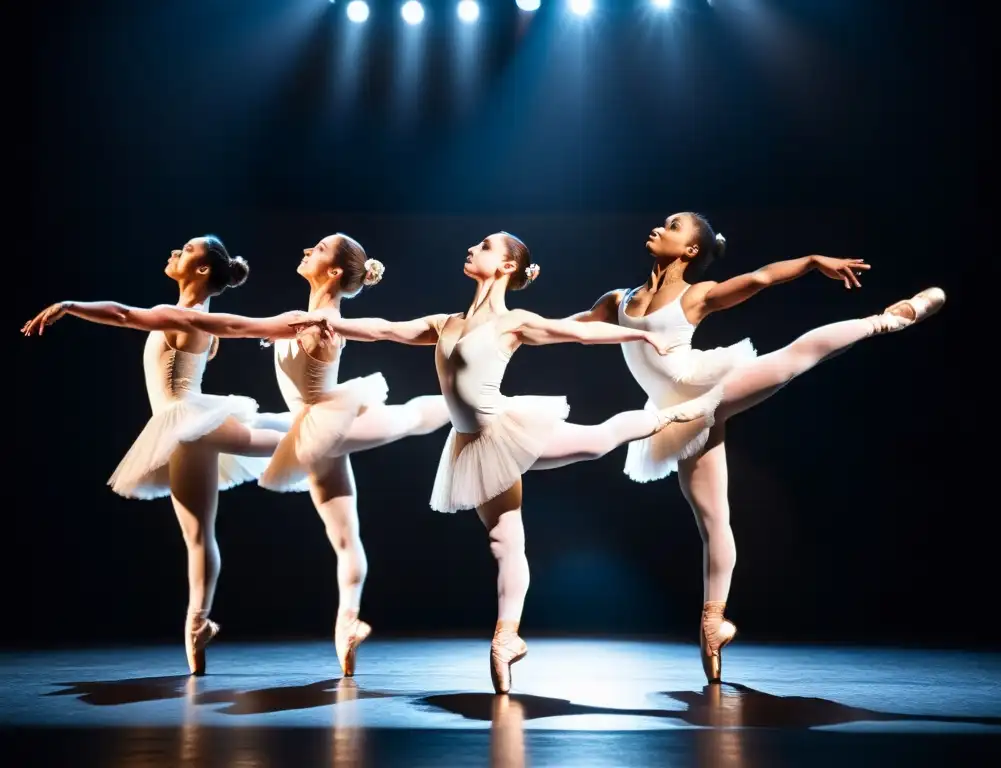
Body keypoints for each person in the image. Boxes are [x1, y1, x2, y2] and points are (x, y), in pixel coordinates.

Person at [291, 231, 722, 693]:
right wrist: (321, 320)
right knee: (505, 545)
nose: (472, 248)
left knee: (598, 440)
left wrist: (639, 333)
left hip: (509, 429)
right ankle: (506, 637)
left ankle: (672, 414)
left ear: (507, 267)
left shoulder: (513, 322)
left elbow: (578, 331)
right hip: (474, 447)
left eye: (485, 246)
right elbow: (384, 329)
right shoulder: (446, 322)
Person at [569, 211, 946, 683]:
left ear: (690, 251)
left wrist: (811, 261)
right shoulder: (617, 300)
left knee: (794, 357)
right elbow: (572, 327)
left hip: (707, 386)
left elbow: (762, 278)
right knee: (713, 520)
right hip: (674, 416)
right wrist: (508, 331)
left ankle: (890, 319)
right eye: (663, 222)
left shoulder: (697, 296)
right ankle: (712, 622)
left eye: (673, 226)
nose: (659, 227)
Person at [120, 233, 452, 676]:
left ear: (333, 272)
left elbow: (387, 331)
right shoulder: (303, 317)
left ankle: (468, 406)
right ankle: (347, 623)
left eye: (316, 250)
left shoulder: (326, 320)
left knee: (410, 417)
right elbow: (238, 327)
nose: (304, 251)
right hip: (308, 428)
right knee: (344, 537)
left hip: (328, 424)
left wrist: (450, 328)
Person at [21, 235, 295, 675]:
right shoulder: (200, 319)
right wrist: (285, 326)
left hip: (187, 419)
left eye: (185, 250)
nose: (174, 252)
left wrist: (71, 305)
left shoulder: (180, 316)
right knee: (200, 535)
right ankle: (197, 628)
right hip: (184, 429)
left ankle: (334, 435)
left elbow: (124, 315)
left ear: (202, 271)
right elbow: (244, 326)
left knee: (285, 446)